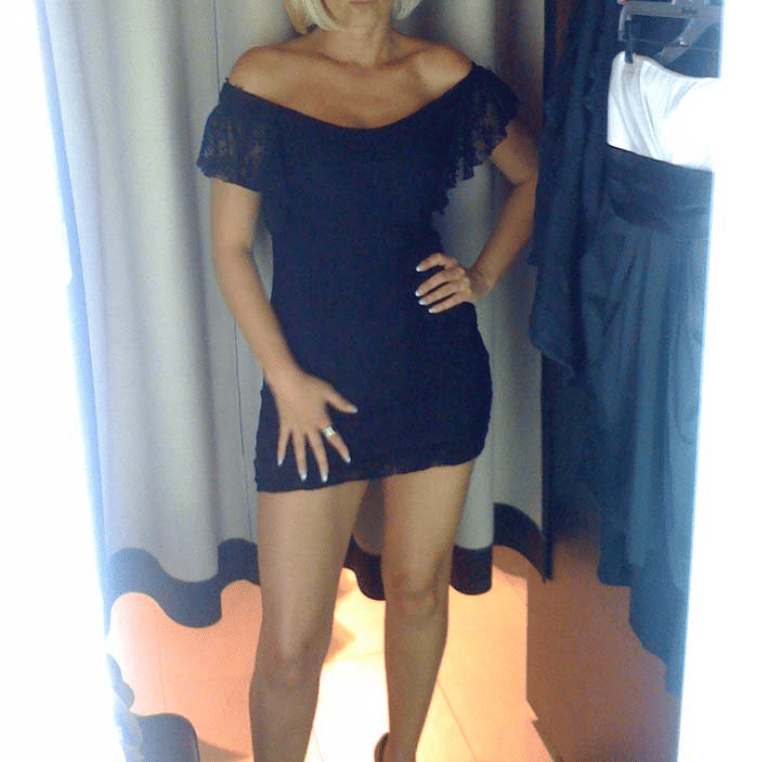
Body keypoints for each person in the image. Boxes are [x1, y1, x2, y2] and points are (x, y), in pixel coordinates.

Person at [196, 1, 538, 761]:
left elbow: (534, 177)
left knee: (418, 590)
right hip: (310, 390)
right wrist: (284, 379)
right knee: (291, 647)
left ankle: (401, 755)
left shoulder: (442, 74)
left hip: (436, 376)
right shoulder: (263, 77)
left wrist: (482, 276)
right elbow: (229, 247)